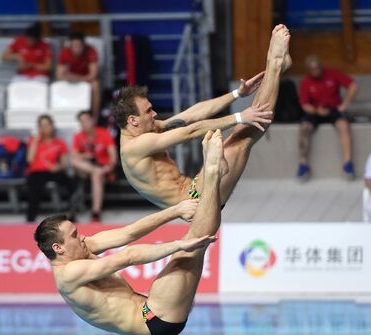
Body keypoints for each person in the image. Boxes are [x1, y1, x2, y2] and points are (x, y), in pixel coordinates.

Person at [35, 129, 226, 335]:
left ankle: (214, 173)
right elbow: (129, 256)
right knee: (194, 242)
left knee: (197, 242)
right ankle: (213, 171)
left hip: (151, 307)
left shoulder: (81, 249)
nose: (81, 237)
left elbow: (129, 233)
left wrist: (176, 210)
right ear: (58, 248)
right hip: (156, 318)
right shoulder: (69, 274)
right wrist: (179, 245)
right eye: (73, 235)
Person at [114, 24, 291, 209]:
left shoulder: (146, 130)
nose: (155, 114)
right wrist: (239, 117)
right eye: (149, 111)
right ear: (132, 120)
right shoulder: (134, 147)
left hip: (194, 189)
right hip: (196, 203)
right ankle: (276, 63)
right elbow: (190, 131)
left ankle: (276, 68)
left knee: (244, 134)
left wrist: (237, 94)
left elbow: (190, 115)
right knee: (243, 135)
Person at [297, 54, 358, 181]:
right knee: (304, 128)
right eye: (313, 69)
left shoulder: (333, 74)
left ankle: (348, 163)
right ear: (308, 70)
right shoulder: (306, 82)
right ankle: (303, 165)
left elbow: (353, 86)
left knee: (344, 125)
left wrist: (344, 104)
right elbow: (305, 105)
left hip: (333, 109)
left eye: (318, 67)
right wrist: (317, 111)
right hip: (316, 110)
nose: (316, 70)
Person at [26, 115, 76, 223]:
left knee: (71, 183)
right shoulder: (33, 141)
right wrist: (36, 141)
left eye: (47, 125)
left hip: (53, 171)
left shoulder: (60, 143)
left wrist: (58, 167)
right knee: (35, 187)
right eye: (42, 125)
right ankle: (30, 217)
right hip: (37, 171)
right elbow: (29, 160)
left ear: (52, 126)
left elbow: (64, 164)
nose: (45, 128)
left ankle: (70, 214)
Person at [71, 110, 117, 222]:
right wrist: (85, 155)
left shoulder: (104, 133)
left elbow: (113, 156)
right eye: (81, 121)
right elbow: (75, 155)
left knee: (97, 175)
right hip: (86, 168)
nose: (84, 123)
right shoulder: (78, 136)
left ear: (92, 120)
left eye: (86, 120)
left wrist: (109, 167)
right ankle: (95, 171)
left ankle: (95, 211)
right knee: (75, 161)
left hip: (103, 169)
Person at [57, 32, 100, 120]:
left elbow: (93, 74)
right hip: (70, 79)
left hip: (85, 78)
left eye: (79, 46)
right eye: (74, 46)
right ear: (70, 46)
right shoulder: (65, 52)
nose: (76, 49)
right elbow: (59, 75)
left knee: (95, 85)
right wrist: (69, 77)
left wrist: (78, 78)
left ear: (83, 46)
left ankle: (95, 117)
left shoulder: (91, 51)